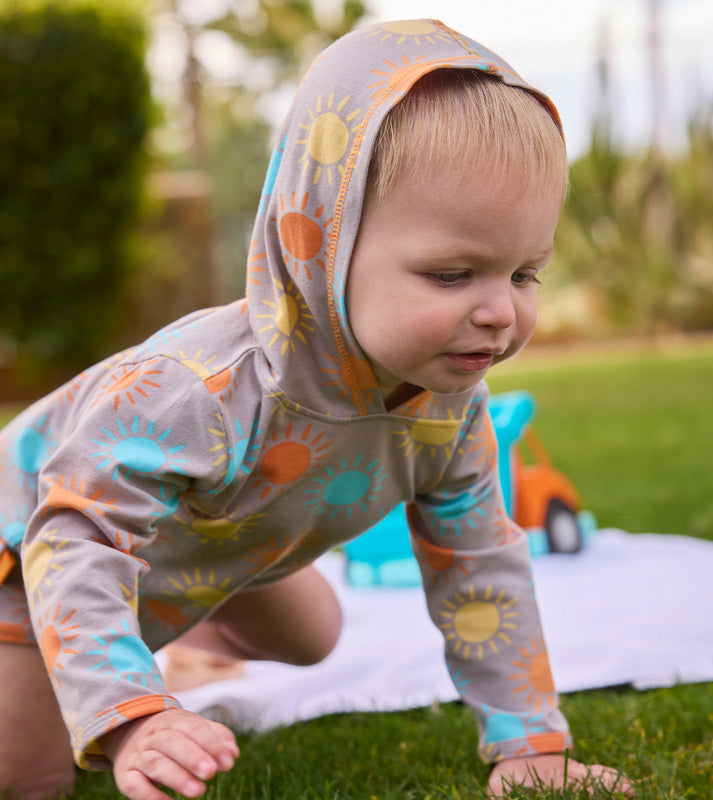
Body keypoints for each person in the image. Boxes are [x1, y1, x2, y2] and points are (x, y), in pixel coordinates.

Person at [0, 18, 633, 800]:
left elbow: (481, 568)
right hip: (30, 563)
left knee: (316, 636)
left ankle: (180, 633)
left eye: (524, 274)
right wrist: (134, 715)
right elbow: (72, 537)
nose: (500, 311)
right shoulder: (197, 390)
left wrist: (530, 744)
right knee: (32, 777)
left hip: (216, 541)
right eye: (451, 274)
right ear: (322, 247)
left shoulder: (451, 410)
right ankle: (123, 663)